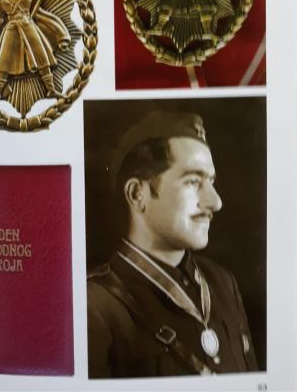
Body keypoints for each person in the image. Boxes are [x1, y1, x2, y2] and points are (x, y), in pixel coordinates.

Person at [87, 111, 258, 378]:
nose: (215, 202)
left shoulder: (223, 283)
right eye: (193, 181)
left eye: (211, 181)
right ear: (137, 194)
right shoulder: (95, 305)